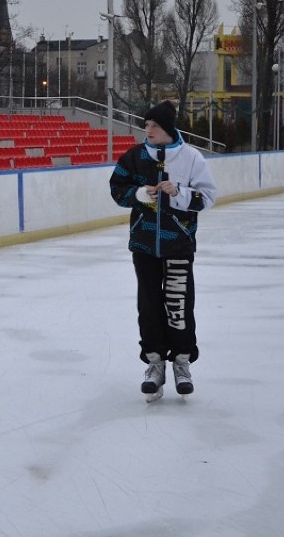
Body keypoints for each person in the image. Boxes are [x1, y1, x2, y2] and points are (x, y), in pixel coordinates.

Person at [109, 101, 218, 401]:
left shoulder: (192, 158)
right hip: (144, 244)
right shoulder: (134, 156)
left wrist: (180, 194)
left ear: (168, 128)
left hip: (179, 244)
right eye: (146, 125)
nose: (148, 130)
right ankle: (154, 364)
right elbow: (117, 189)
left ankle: (181, 362)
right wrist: (139, 194)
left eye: (154, 125)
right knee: (148, 304)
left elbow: (207, 197)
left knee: (178, 303)